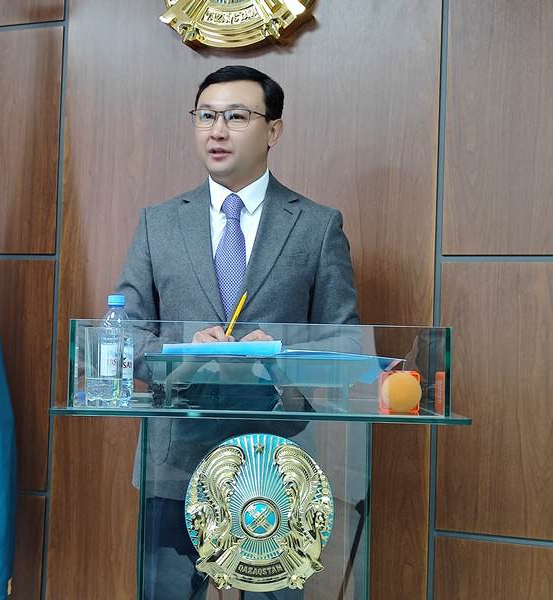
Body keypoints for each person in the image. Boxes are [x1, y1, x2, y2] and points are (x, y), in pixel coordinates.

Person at [116, 65, 359, 600]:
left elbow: (345, 342)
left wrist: (281, 352)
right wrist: (179, 352)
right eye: (206, 116)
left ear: (273, 130)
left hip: (280, 461)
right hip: (174, 457)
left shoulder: (317, 226)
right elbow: (125, 333)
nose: (217, 130)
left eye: (236, 116)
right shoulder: (158, 223)